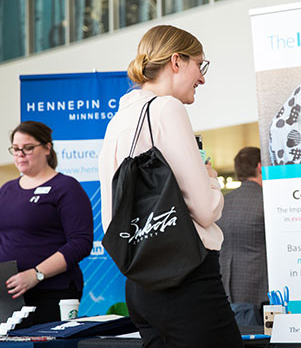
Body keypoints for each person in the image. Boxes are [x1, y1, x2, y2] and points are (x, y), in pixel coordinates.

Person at [98, 25, 243, 348]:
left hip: (139, 284)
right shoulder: (166, 109)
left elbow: (112, 220)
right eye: (199, 65)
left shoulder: (118, 121)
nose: (202, 78)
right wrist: (210, 176)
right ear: (176, 61)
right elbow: (205, 211)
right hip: (186, 279)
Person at [0, 121, 93, 325]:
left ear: (47, 148)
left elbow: (80, 242)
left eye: (28, 148)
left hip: (50, 292)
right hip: (2, 296)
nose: (20, 154)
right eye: (16, 149)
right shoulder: (7, 189)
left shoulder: (65, 187)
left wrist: (36, 274)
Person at [217, 147, 267, 311]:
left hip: (225, 290)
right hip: (259, 293)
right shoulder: (267, 201)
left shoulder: (223, 202)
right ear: (260, 166)